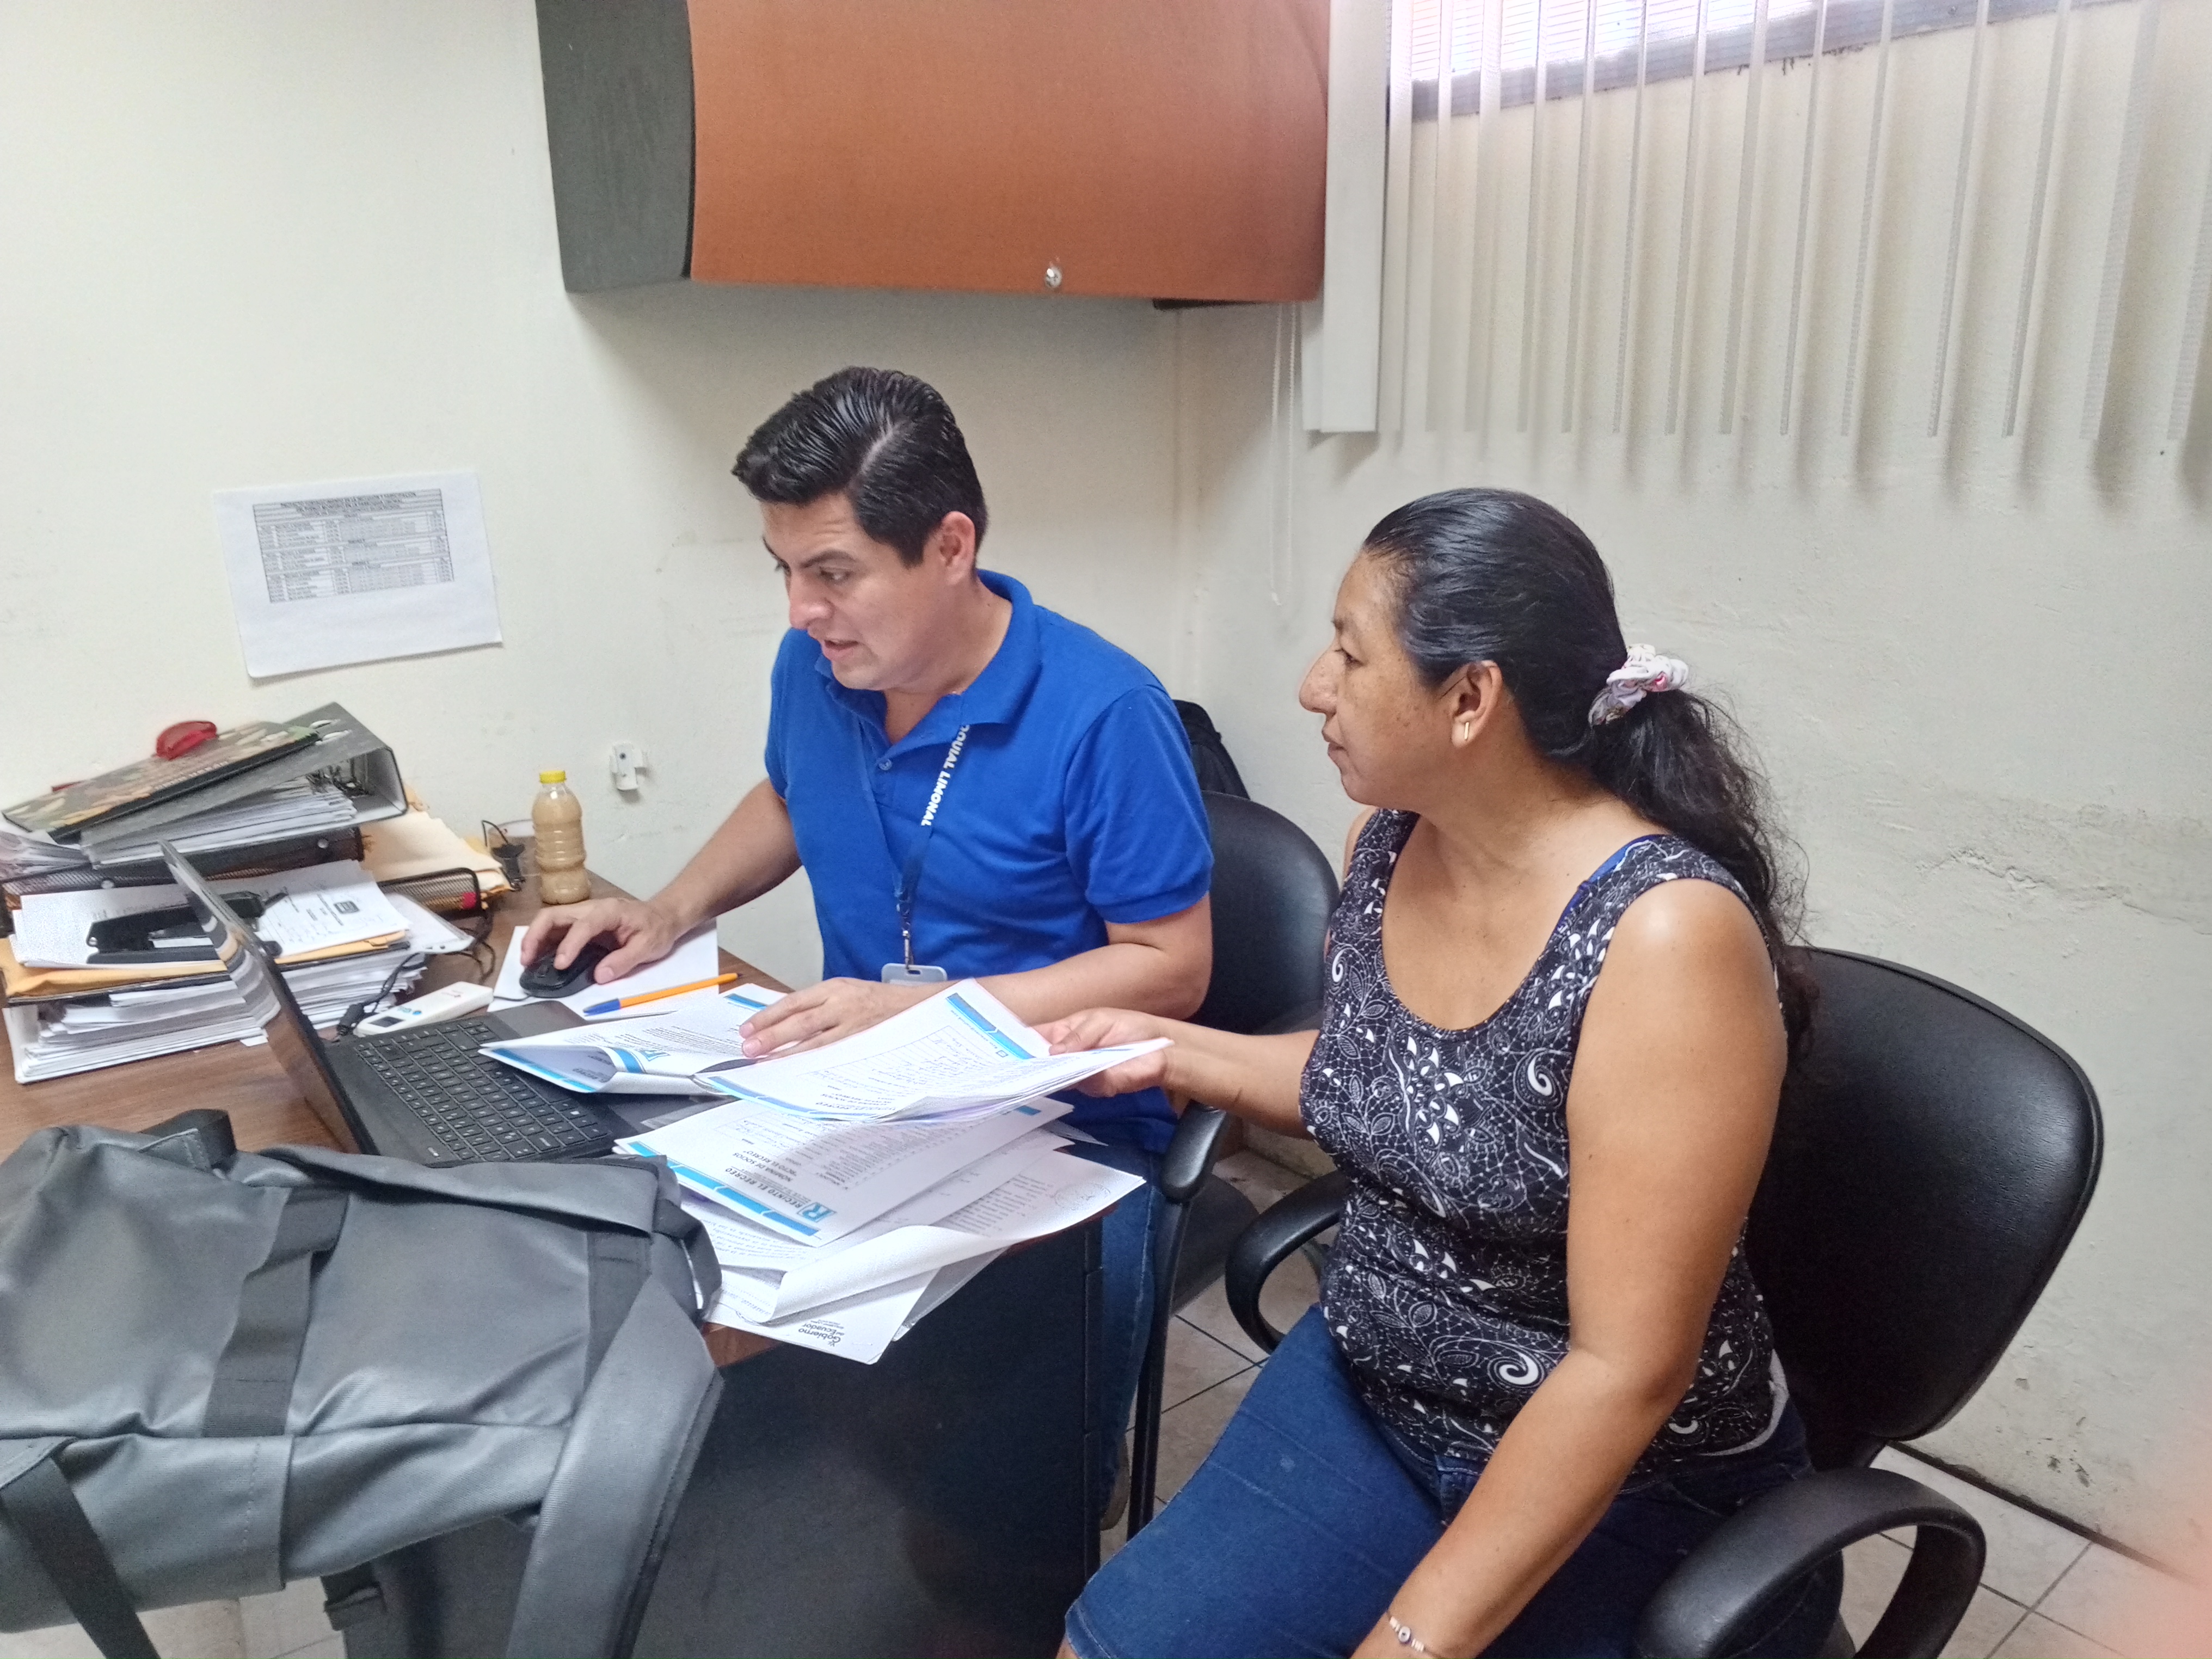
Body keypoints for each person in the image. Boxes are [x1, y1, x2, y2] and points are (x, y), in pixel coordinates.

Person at [1041, 488, 1840, 1659]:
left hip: (1625, 1473)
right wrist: (1165, 1049)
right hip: (1379, 1387)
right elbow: (1394, 1083)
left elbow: (1626, 1368)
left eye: (1350, 654)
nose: (1313, 686)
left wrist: (1414, 1639)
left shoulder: (1662, 938)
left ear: (1470, 699)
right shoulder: (1391, 841)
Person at [521, 367, 1214, 1509]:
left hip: (1063, 1134)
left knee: (1014, 1501)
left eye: (834, 573)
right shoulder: (820, 665)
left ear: (950, 547)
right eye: (786, 572)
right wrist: (670, 910)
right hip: (862, 1099)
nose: (802, 611)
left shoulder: (1103, 714)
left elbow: (1171, 967)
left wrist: (924, 1012)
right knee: (684, 1314)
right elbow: (790, 796)